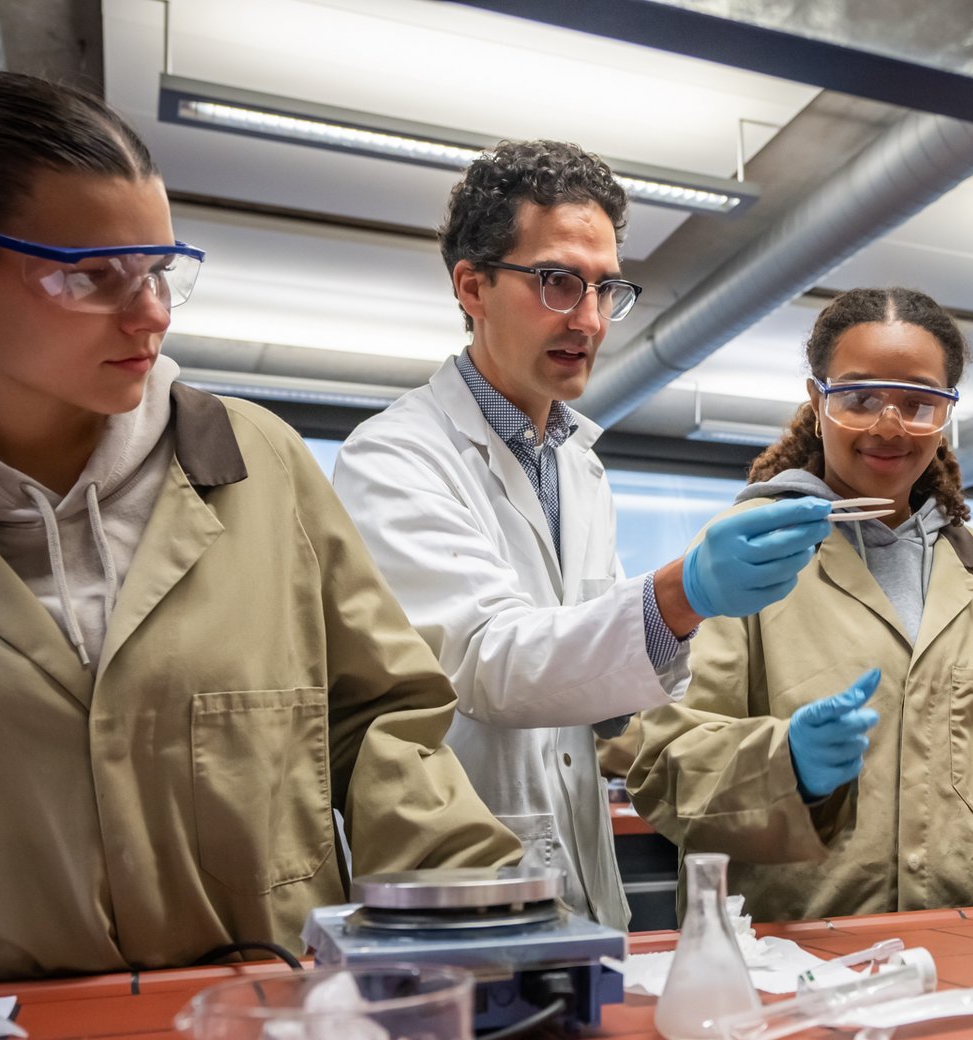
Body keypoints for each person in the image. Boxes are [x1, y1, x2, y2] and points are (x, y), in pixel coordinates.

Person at [0, 72, 519, 991]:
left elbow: (380, 726)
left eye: (159, 270)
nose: (152, 313)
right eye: (90, 276)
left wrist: (498, 927)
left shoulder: (256, 464)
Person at [333, 141, 830, 929]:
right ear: (473, 286)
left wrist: (769, 754)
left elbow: (593, 678)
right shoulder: (393, 458)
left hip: (579, 869)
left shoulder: (578, 467)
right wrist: (680, 594)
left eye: (605, 289)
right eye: (558, 283)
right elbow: (485, 662)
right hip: (463, 880)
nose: (591, 320)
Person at [626, 288, 973, 921]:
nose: (890, 425)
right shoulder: (744, 555)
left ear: (945, 414)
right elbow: (664, 761)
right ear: (818, 402)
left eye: (919, 403)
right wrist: (787, 765)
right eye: (860, 398)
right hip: (801, 954)